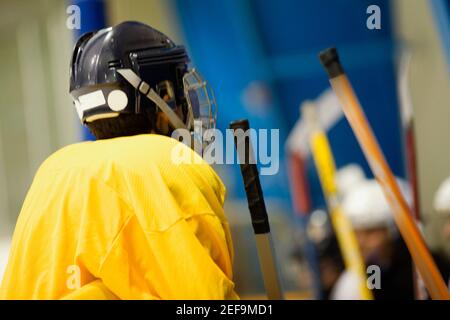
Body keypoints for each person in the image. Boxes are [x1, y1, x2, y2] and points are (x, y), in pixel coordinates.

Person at [0, 21, 238, 300]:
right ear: (160, 99)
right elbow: (207, 298)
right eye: (172, 92)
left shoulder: (53, 170)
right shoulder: (166, 163)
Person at [331, 178, 415, 300]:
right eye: (356, 233)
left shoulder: (416, 274)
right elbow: (377, 289)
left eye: (370, 232)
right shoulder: (372, 269)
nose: (361, 242)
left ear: (395, 231)